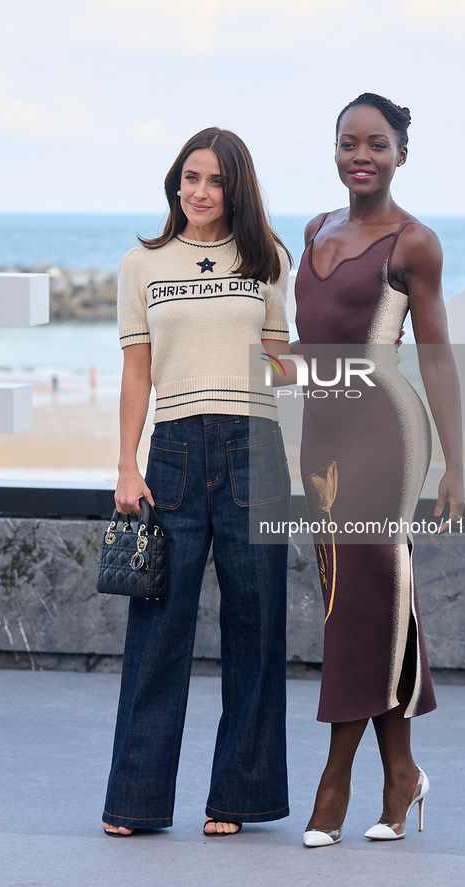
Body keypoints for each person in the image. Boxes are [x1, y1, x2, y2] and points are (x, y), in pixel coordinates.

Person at [101, 127, 292, 838]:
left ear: (234, 187)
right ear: (174, 183)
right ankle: (135, 801)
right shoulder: (140, 265)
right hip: (173, 453)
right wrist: (127, 464)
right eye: (189, 177)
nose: (199, 192)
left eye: (213, 180)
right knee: (158, 629)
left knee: (257, 623)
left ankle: (238, 799)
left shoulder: (267, 259)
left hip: (255, 445)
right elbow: (137, 371)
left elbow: (280, 364)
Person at [294, 93, 465, 846]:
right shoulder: (312, 230)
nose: (359, 155)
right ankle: (402, 772)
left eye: (376, 144)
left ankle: (335, 779)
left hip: (385, 435)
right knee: (366, 596)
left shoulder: (413, 243)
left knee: (360, 600)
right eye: (347, 143)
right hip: (319, 435)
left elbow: (434, 356)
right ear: (333, 150)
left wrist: (456, 465)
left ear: (400, 153)